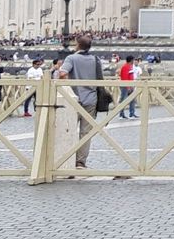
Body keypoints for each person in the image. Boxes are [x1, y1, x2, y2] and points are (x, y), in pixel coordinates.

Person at [57, 34, 106, 170]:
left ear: (78, 45)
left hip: (74, 99)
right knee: (86, 133)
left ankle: (64, 160)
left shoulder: (71, 58)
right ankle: (80, 162)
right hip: (91, 99)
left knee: (69, 130)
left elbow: (62, 73)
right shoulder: (95, 60)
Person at [117, 54, 139, 119]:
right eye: (133, 60)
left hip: (130, 85)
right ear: (131, 60)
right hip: (125, 86)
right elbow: (124, 78)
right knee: (123, 100)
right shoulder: (125, 67)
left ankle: (132, 113)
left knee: (132, 100)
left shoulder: (130, 66)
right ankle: (121, 114)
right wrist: (128, 87)